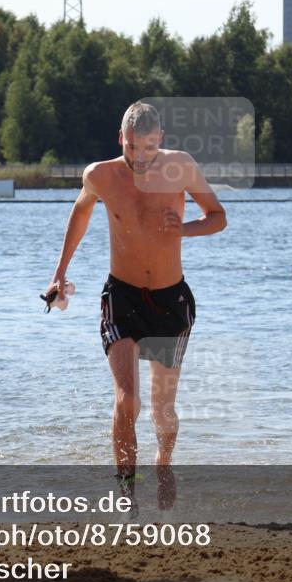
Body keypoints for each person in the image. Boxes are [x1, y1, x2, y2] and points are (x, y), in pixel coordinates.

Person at [45, 101, 227, 488]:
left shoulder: (180, 166)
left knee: (163, 413)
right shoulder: (100, 175)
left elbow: (218, 217)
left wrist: (183, 229)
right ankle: (126, 493)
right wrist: (60, 273)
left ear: (159, 139)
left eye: (147, 147)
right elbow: (80, 214)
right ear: (120, 139)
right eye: (131, 147)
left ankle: (163, 459)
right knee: (128, 400)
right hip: (122, 297)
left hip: (170, 301)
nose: (139, 156)